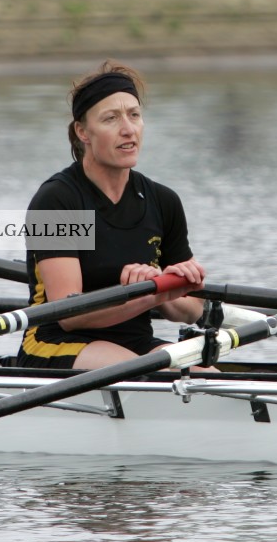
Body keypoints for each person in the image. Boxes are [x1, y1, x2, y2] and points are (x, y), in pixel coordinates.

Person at [16, 60, 209, 371]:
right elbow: (69, 315)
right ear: (83, 132)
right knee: (146, 373)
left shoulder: (163, 200)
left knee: (209, 378)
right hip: (56, 342)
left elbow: (192, 311)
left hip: (134, 343)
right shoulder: (58, 200)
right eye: (111, 119)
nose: (128, 128)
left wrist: (168, 286)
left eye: (134, 115)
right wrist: (147, 294)